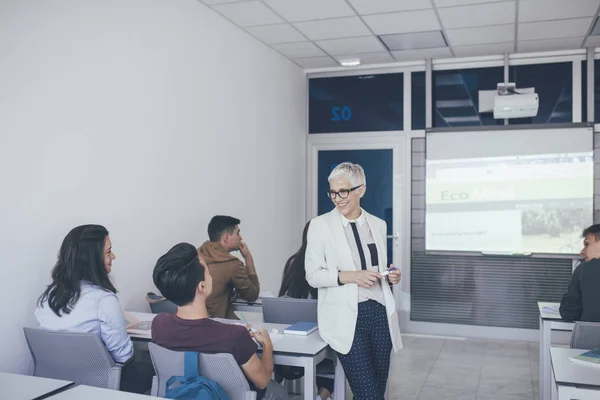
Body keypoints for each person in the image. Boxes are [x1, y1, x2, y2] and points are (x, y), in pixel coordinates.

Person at [305, 162, 402, 400]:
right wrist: (351, 276)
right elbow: (312, 275)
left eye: (343, 191)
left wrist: (390, 276)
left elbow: (377, 268)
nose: (337, 198)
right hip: (346, 317)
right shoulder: (320, 226)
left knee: (375, 391)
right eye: (333, 192)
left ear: (361, 190)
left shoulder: (378, 225)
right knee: (368, 394)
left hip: (379, 313)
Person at [151, 243, 286, 400]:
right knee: (278, 391)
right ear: (202, 286)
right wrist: (267, 345)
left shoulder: (159, 324)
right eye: (208, 271)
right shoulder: (234, 336)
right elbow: (262, 381)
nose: (210, 275)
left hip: (180, 394)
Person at [35, 224, 153, 394]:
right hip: (102, 384)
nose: (113, 256)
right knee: (151, 370)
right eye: (108, 252)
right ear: (92, 259)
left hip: (56, 384)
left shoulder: (48, 297)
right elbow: (123, 357)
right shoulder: (104, 299)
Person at [277, 221, 334, 400]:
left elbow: (283, 299)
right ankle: (322, 395)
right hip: (318, 335)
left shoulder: (293, 262)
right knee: (337, 352)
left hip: (289, 335)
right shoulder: (327, 266)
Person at [198, 215, 260, 319]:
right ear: (226, 237)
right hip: (217, 324)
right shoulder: (232, 264)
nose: (241, 238)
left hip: (191, 321)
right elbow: (252, 294)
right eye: (237, 233)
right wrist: (248, 257)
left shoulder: (196, 254)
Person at [559, 224, 600, 322]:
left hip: (591, 336)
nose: (582, 251)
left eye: (587, 244)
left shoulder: (584, 269)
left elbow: (569, 313)